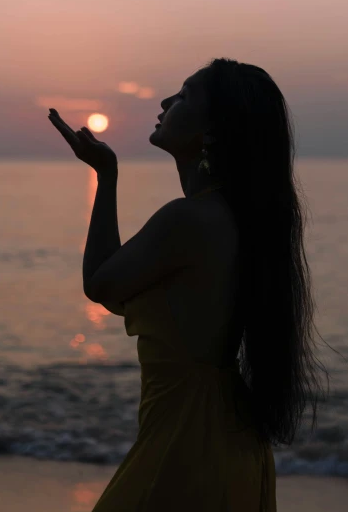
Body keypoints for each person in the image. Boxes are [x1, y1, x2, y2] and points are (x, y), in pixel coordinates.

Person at [48, 56, 328, 511]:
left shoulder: (189, 220)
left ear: (212, 131)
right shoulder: (239, 219)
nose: (164, 102)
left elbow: (101, 284)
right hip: (229, 442)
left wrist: (105, 176)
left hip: (187, 447)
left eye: (183, 96)